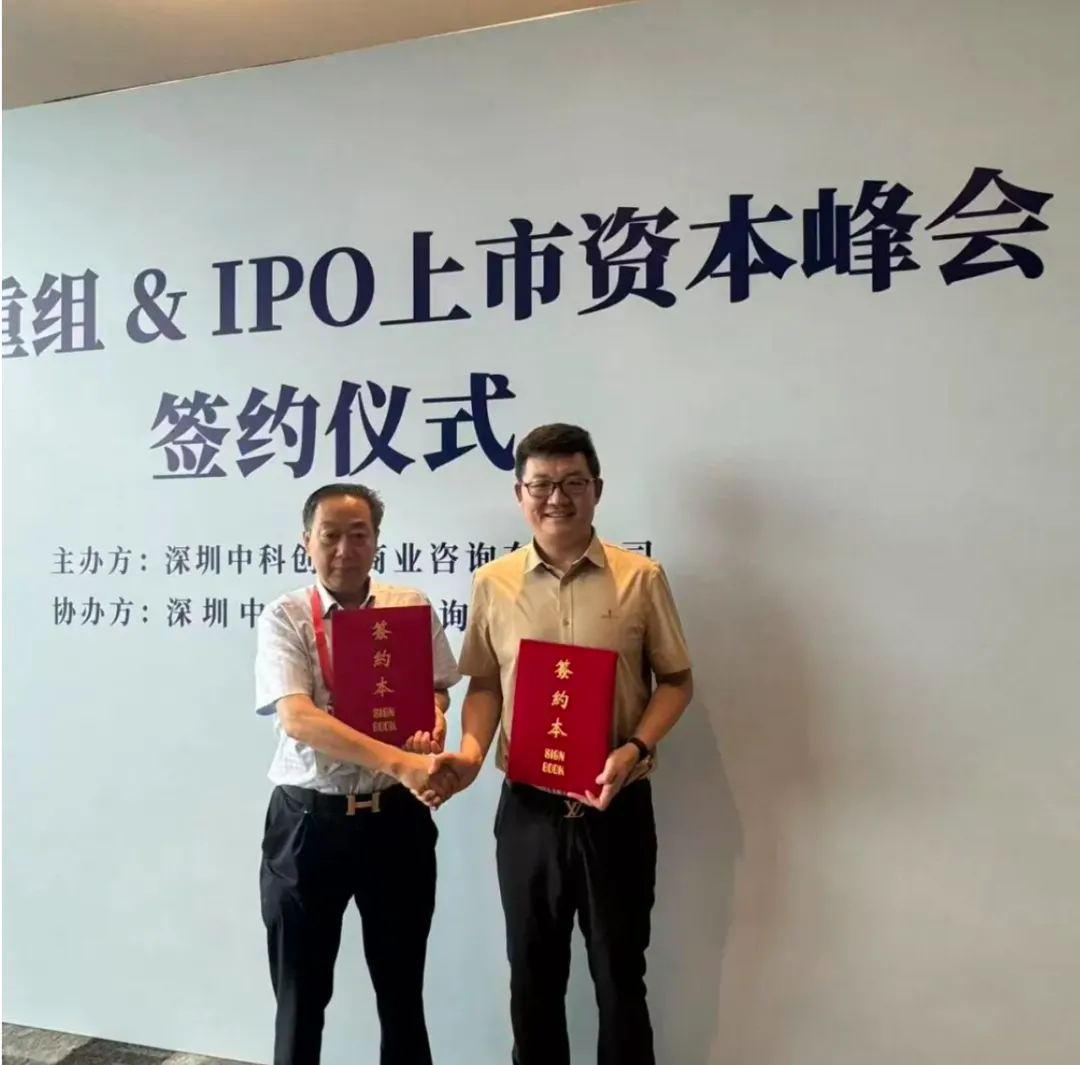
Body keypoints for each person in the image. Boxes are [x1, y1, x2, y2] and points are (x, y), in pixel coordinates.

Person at [429, 423, 694, 1065]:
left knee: (620, 974)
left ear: (597, 489)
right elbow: (484, 683)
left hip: (616, 807)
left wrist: (635, 749)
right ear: (519, 494)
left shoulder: (641, 577)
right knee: (533, 975)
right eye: (542, 485)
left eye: (573, 482)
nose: (557, 498)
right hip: (530, 811)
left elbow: (676, 681)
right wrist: (470, 755)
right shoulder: (493, 583)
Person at [254, 482, 460, 1065]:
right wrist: (401, 760)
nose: (344, 549)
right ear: (306, 541)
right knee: (300, 995)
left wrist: (431, 722)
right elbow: (298, 718)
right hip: (307, 824)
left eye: (359, 534)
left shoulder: (408, 607)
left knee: (402, 991)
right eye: (330, 535)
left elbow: (436, 689)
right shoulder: (286, 615)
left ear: (376, 540)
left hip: (395, 822)